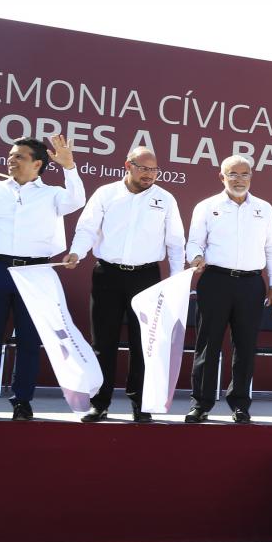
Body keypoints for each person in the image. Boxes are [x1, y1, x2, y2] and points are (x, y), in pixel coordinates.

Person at [0, 136, 85, 421]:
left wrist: (69, 167)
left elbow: (77, 200)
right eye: (11, 155)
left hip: (35, 273)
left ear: (37, 164)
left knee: (29, 340)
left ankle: (22, 401)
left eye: (20, 156)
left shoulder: (53, 194)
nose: (11, 160)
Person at [63, 147, 185, 423]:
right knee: (102, 342)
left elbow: (176, 242)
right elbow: (87, 228)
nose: (149, 175)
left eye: (154, 170)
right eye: (144, 169)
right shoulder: (106, 194)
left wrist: (176, 279)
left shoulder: (165, 199)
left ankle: (140, 405)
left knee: (144, 345)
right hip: (107, 274)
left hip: (146, 278)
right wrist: (77, 252)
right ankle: (99, 403)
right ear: (127, 166)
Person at [183, 155, 272, 424]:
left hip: (251, 284)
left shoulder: (264, 208)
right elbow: (194, 242)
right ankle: (200, 404)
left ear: (251, 176)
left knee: (246, 346)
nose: (239, 179)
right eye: (233, 174)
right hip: (215, 281)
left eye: (244, 174)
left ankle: (240, 404)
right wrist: (195, 257)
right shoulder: (207, 206)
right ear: (222, 177)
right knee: (208, 345)